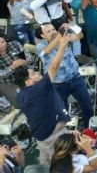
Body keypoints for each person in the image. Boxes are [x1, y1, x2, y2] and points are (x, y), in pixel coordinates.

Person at [14, 35, 71, 164]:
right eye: (33, 74)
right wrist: (62, 45)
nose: (37, 73)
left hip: (40, 137)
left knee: (45, 164)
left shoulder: (19, 96)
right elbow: (53, 67)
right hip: (53, 136)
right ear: (28, 81)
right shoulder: (38, 90)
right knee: (62, 164)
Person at [35, 23, 93, 127]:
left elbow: (80, 36)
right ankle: (65, 133)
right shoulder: (40, 47)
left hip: (75, 78)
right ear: (42, 36)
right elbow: (47, 51)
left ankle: (89, 128)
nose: (53, 32)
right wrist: (59, 35)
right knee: (62, 110)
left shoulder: (64, 37)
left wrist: (73, 26)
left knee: (87, 105)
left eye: (53, 29)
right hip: (58, 84)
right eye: (48, 31)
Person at [0, 37, 26, 106]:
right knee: (19, 99)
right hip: (8, 82)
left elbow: (27, 57)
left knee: (38, 89)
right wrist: (12, 67)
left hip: (24, 74)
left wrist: (24, 61)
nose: (1, 45)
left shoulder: (14, 44)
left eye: (2, 42)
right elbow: (1, 75)